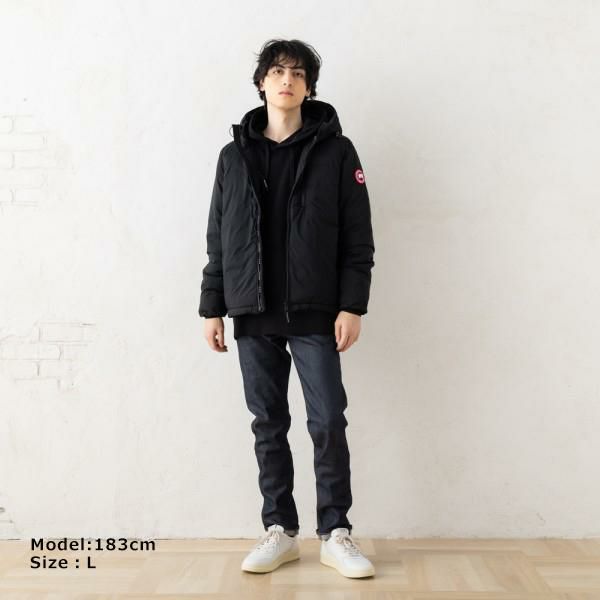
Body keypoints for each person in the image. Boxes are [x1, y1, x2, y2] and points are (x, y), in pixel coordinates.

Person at [198, 38, 376, 579]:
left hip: (315, 311)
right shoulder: (233, 156)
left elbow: (357, 237)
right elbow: (219, 238)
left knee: (328, 420)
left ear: (309, 87)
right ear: (262, 82)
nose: (287, 80)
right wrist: (212, 306)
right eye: (277, 71)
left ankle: (336, 531)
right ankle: (279, 528)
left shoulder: (337, 152)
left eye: (298, 73)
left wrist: (352, 305)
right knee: (268, 424)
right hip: (252, 311)